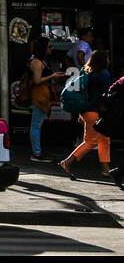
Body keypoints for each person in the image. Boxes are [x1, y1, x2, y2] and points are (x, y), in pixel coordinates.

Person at [61, 50, 112, 179]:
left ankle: (106, 170)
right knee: (90, 141)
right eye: (107, 58)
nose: (109, 61)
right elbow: (107, 93)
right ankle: (67, 162)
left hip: (87, 112)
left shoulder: (88, 73)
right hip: (96, 112)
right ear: (103, 60)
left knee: (104, 140)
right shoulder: (104, 73)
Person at [27, 36, 65, 162]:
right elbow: (37, 80)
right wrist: (53, 75)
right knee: (36, 124)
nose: (51, 48)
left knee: (37, 124)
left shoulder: (40, 61)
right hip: (39, 96)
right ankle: (36, 153)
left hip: (42, 95)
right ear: (43, 48)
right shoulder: (37, 62)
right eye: (49, 46)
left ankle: (37, 151)